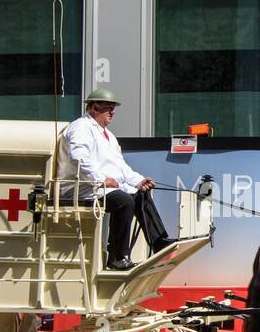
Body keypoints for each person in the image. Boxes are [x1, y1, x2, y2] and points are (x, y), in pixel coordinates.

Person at [57, 88, 174, 270]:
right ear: (95, 108)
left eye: (113, 108)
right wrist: (101, 179)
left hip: (102, 188)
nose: (113, 112)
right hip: (83, 187)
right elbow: (79, 158)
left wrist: (139, 181)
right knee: (123, 201)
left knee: (140, 195)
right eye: (109, 108)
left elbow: (121, 167)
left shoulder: (108, 136)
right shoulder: (81, 127)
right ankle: (117, 257)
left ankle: (158, 242)